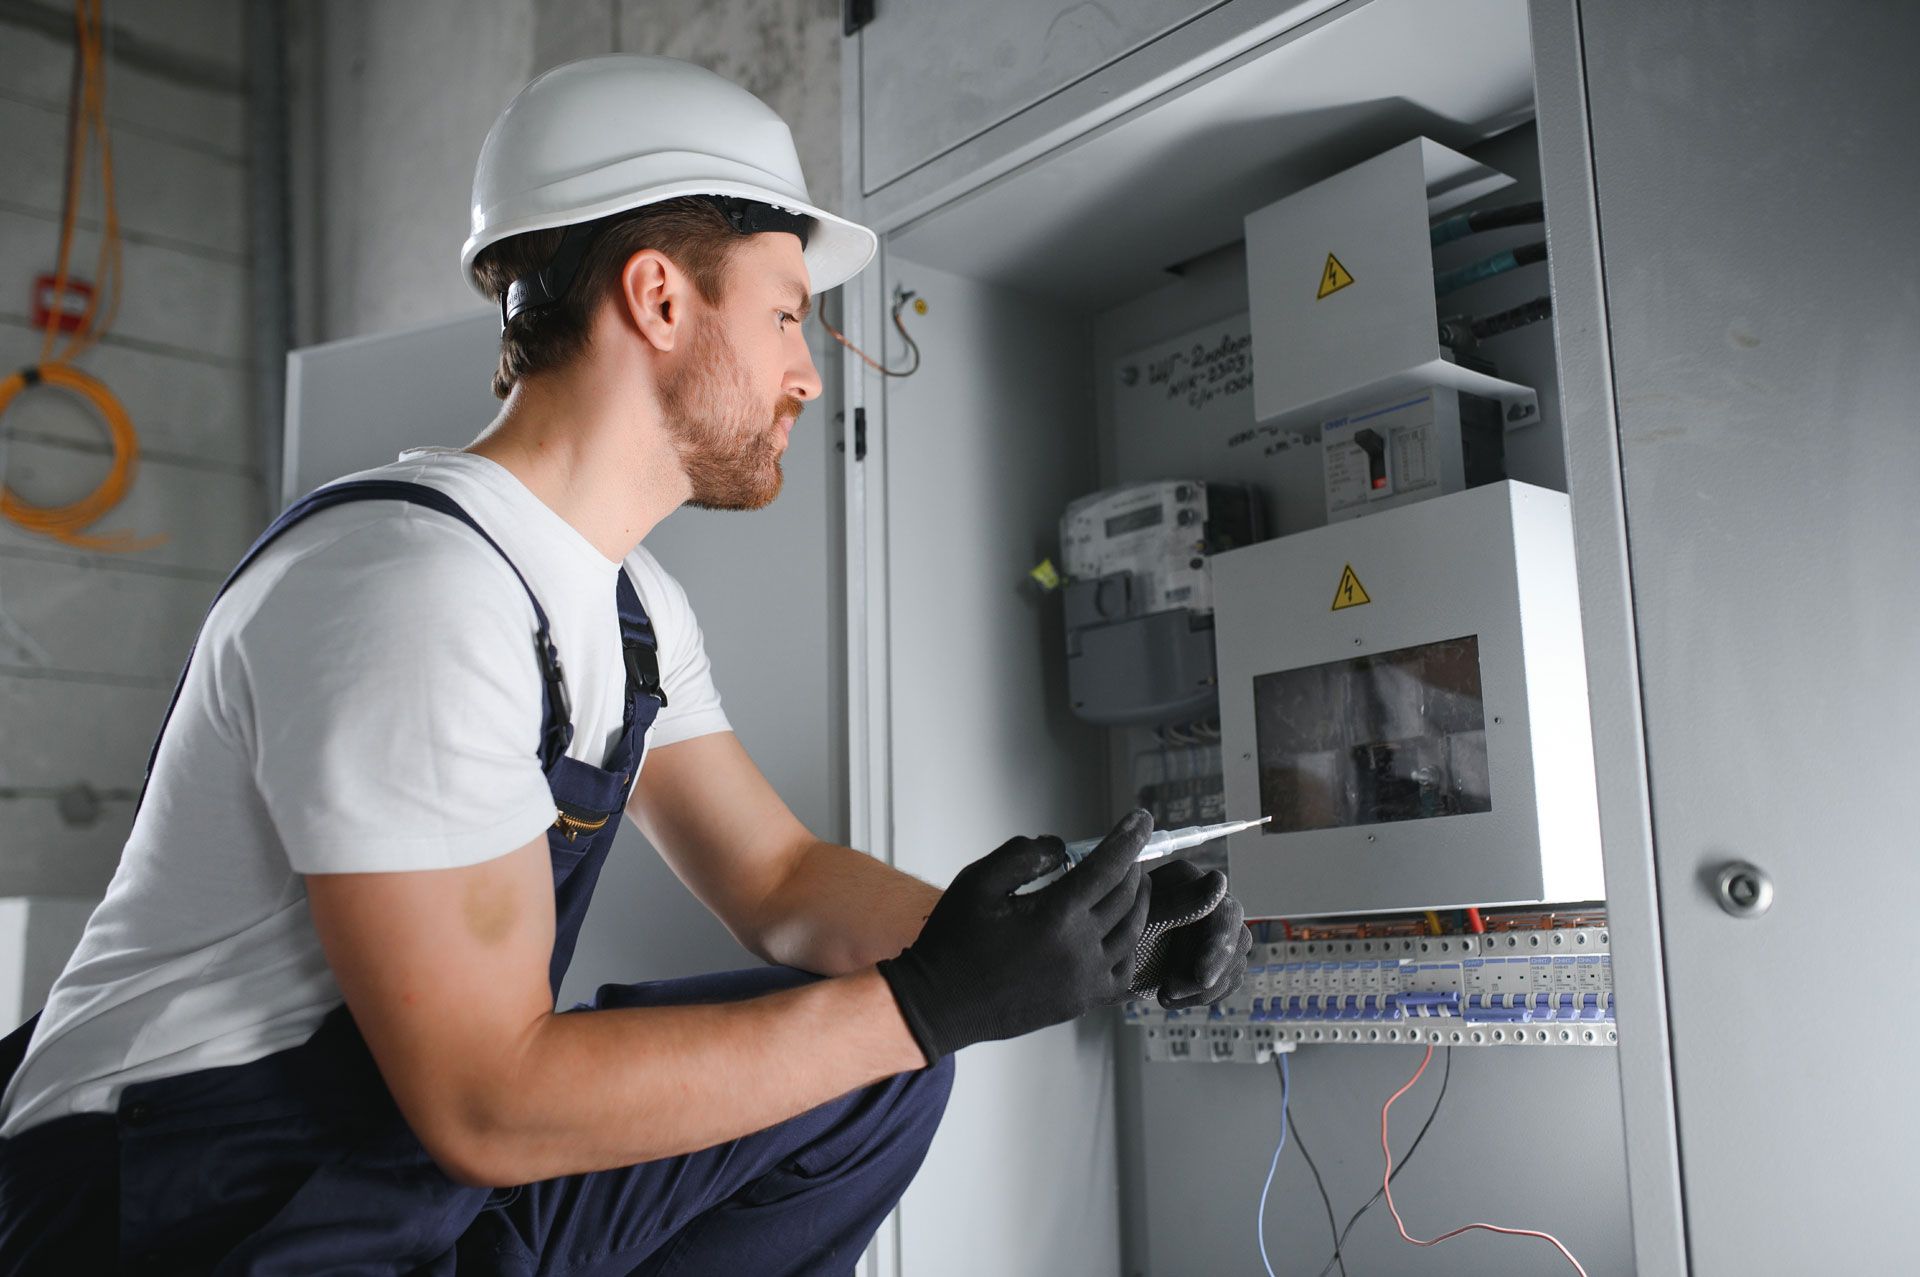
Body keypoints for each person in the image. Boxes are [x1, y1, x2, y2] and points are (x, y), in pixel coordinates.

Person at [0, 55, 1248, 1273]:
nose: (810, 372)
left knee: (873, 1075)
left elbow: (780, 879)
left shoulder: (628, 604)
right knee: (889, 1032)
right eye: (783, 315)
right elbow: (486, 1097)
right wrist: (928, 998)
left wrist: (1058, 944)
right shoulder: (414, 589)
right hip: (177, 1207)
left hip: (395, 1177)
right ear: (658, 297)